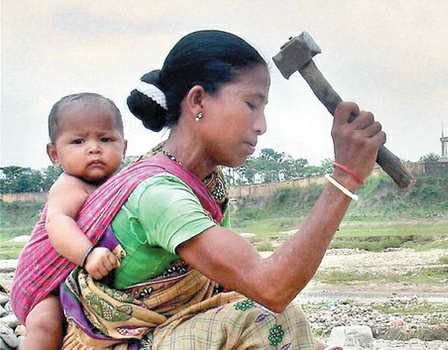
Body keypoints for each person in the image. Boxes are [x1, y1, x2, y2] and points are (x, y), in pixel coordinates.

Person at [34, 29, 384, 349]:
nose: (261, 126)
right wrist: (346, 177)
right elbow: (272, 288)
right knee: (271, 317)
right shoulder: (160, 194)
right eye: (251, 105)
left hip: (170, 330)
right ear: (198, 101)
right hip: (122, 344)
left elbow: (231, 286)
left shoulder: (205, 182)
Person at [10, 93, 127, 350]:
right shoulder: (69, 185)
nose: (94, 148)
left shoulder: (121, 184)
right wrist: (88, 255)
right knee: (45, 325)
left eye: (105, 139)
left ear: (124, 147)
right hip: (43, 285)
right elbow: (58, 224)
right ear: (55, 154)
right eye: (78, 141)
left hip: (76, 282)